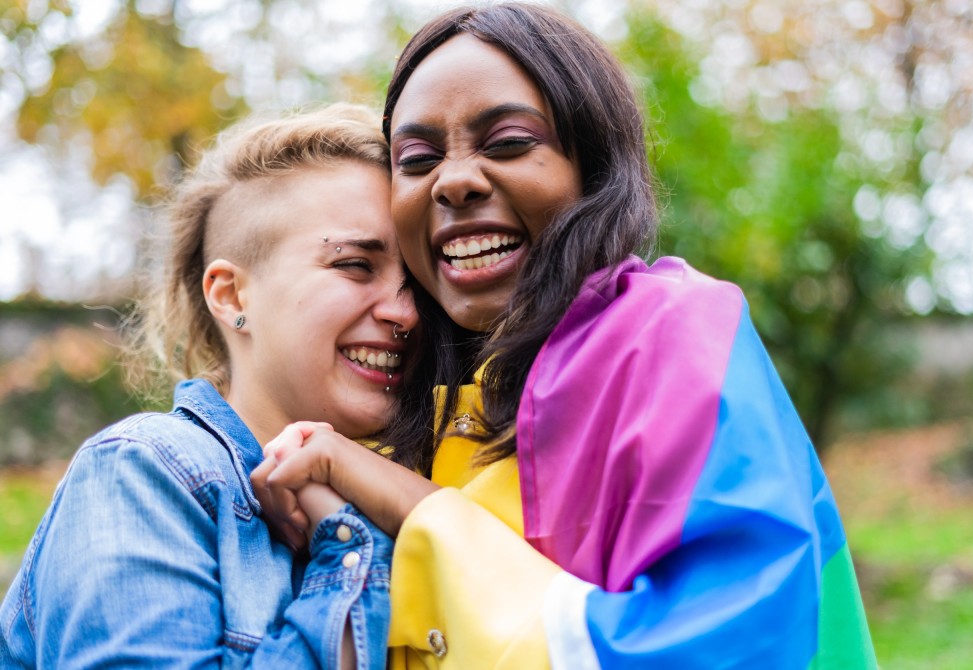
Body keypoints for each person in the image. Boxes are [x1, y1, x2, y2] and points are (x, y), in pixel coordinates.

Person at [256, 3, 878, 668]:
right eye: (417, 158)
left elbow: (728, 640)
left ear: (594, 168)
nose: (455, 181)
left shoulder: (673, 333)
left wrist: (413, 515)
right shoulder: (401, 393)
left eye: (508, 142)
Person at [0, 103, 419, 669]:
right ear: (230, 295)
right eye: (355, 265)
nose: (405, 312)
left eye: (417, 281)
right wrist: (349, 547)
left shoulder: (418, 482)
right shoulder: (143, 471)